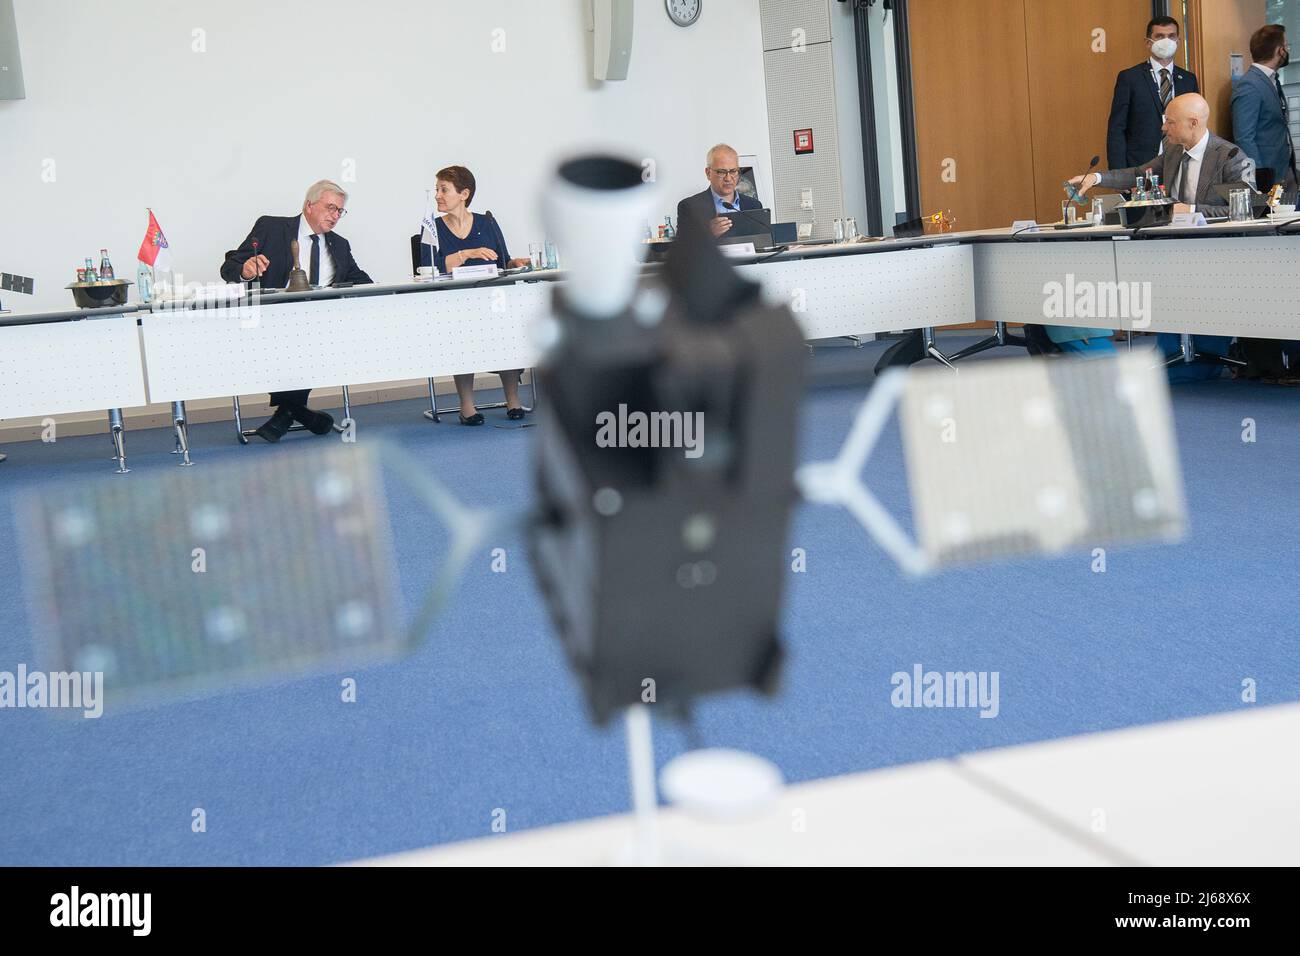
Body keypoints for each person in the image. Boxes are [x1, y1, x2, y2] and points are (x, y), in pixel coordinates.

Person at [220, 180, 373, 442]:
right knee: (299, 342)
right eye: (330, 208)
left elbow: (360, 279)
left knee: (311, 339)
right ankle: (302, 414)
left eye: (340, 211)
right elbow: (229, 267)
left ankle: (287, 414)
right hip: (272, 323)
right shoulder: (272, 227)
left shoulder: (340, 244)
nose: (335, 216)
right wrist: (246, 269)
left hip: (320, 326)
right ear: (309, 205)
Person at [419, 165, 530, 424]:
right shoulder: (432, 227)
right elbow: (428, 269)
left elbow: (504, 261)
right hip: (455, 303)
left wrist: (516, 264)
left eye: (443, 189)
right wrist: (466, 254)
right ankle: (467, 406)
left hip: (492, 299)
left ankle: (513, 399)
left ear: (464, 193)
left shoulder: (487, 222)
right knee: (462, 333)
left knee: (508, 329)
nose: (437, 195)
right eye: (437, 189)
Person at [1107, 16, 1198, 170]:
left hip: (1181, 164)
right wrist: (1118, 172)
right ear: (1148, 42)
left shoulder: (1188, 79)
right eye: (1160, 36)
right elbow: (1117, 128)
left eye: (1171, 36)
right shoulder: (1129, 78)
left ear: (1178, 41)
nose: (1166, 41)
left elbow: (1195, 125)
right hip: (1141, 166)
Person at [1231, 24, 1297, 191]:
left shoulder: (1271, 80)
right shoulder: (1250, 86)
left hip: (1284, 171)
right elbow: (1244, 137)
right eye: (1286, 46)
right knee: (1276, 217)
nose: (1287, 50)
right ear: (1280, 50)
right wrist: (1260, 178)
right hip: (1267, 176)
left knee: (1291, 215)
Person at [676, 144, 762, 239]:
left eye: (733, 171)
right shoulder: (690, 207)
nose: (728, 178)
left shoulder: (754, 205)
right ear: (708, 173)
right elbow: (682, 248)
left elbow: (762, 243)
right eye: (721, 172)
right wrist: (708, 233)